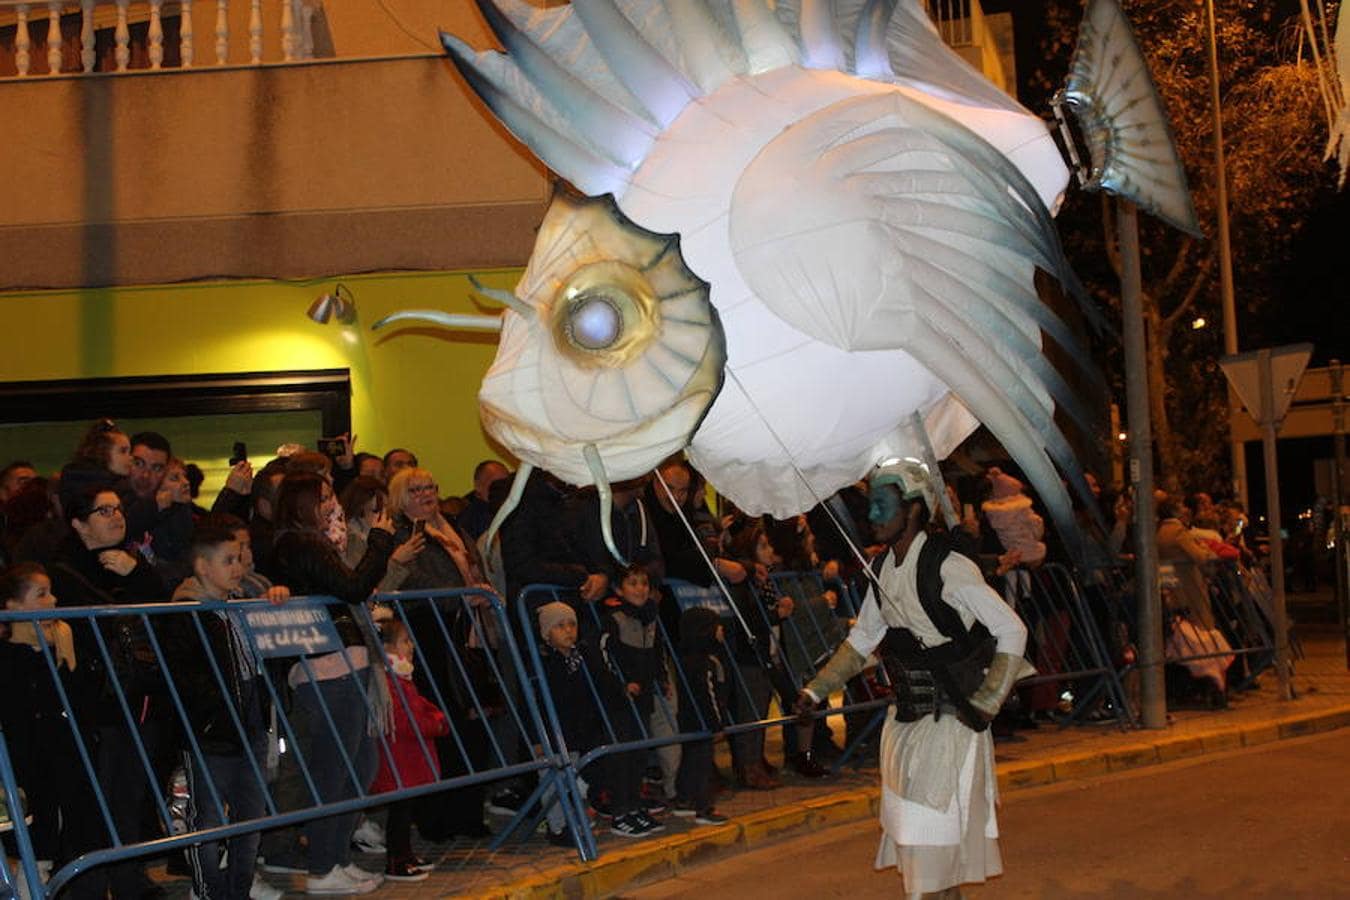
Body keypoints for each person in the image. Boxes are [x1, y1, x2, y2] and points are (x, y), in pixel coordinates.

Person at [797, 458, 1030, 899]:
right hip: (903, 731)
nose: (872, 515)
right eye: (872, 506)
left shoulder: (948, 567)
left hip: (950, 732)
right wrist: (816, 689)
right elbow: (863, 640)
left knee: (933, 851)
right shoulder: (882, 570)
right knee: (922, 854)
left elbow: (1011, 628)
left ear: (915, 510)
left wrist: (987, 700)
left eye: (883, 504)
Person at [259, 472, 400, 895]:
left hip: (344, 661)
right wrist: (379, 541)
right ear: (302, 504)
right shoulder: (298, 544)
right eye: (322, 498)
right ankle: (322, 866)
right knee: (333, 771)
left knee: (360, 766)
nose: (331, 504)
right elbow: (352, 587)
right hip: (324, 667)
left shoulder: (310, 543)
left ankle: (337, 856)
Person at [48, 486, 169, 898]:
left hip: (135, 696)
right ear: (79, 523)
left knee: (130, 792)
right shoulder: (64, 570)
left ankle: (127, 876)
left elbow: (162, 605)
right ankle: (88, 883)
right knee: (93, 794)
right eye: (104, 511)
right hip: (91, 700)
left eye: (119, 509)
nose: (117, 517)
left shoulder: (129, 560)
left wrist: (136, 573)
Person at [166, 518, 286, 900]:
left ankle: (239, 889)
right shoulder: (185, 612)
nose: (239, 567)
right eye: (228, 560)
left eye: (239, 558)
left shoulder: (240, 605)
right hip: (209, 733)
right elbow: (185, 675)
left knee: (250, 818)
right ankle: (208, 891)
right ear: (203, 567)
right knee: (209, 820)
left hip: (249, 725)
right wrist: (212, 711)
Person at [0, 563, 102, 897]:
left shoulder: (63, 643)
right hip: (24, 766)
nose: (54, 601)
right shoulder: (10, 657)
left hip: (63, 759)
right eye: (41, 594)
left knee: (66, 834)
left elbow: (82, 698)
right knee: (29, 839)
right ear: (12, 608)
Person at [536, 601, 661, 839]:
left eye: (572, 624)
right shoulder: (544, 664)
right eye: (559, 626)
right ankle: (559, 828)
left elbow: (600, 681)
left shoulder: (581, 657)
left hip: (582, 732)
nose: (568, 630)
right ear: (546, 633)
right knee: (556, 783)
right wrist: (538, 738)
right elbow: (534, 704)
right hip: (555, 734)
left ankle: (579, 815)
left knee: (585, 775)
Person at [369, 619, 447, 882]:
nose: (411, 646)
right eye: (405, 641)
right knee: (400, 813)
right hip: (400, 758)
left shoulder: (403, 677)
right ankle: (396, 861)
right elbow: (405, 720)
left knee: (407, 809)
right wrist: (434, 724)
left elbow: (419, 705)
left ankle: (406, 855)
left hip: (409, 757)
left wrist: (434, 716)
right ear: (389, 647)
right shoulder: (390, 681)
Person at [601, 563, 678, 808]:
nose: (640, 589)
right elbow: (605, 656)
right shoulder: (614, 618)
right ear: (619, 589)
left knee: (640, 751)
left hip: (644, 693)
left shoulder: (650, 618)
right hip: (622, 697)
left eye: (644, 583)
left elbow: (658, 652)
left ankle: (635, 799)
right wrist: (621, 684)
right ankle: (621, 803)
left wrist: (662, 678)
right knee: (623, 751)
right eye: (632, 583)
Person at [671, 606, 729, 826]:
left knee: (689, 761)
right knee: (702, 765)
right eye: (717, 625)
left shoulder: (686, 657)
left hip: (687, 720)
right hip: (702, 722)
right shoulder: (704, 662)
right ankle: (702, 806)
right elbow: (708, 695)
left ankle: (683, 800)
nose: (721, 630)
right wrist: (717, 725)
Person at [458, 459, 509, 540]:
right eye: (497, 484)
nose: (504, 488)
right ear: (478, 486)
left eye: (507, 483)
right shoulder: (472, 519)